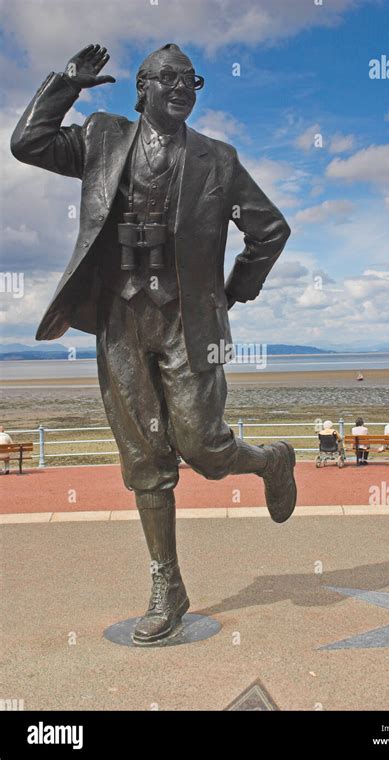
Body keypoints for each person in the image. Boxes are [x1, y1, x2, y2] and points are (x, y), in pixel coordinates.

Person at [11, 43, 296, 645]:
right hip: (120, 319)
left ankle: (270, 460)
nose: (181, 87)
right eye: (167, 78)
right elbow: (28, 144)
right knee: (144, 459)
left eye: (190, 79)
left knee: (205, 449)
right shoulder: (101, 138)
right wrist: (66, 83)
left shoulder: (218, 160)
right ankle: (167, 584)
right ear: (141, 88)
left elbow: (269, 230)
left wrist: (232, 292)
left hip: (190, 323)